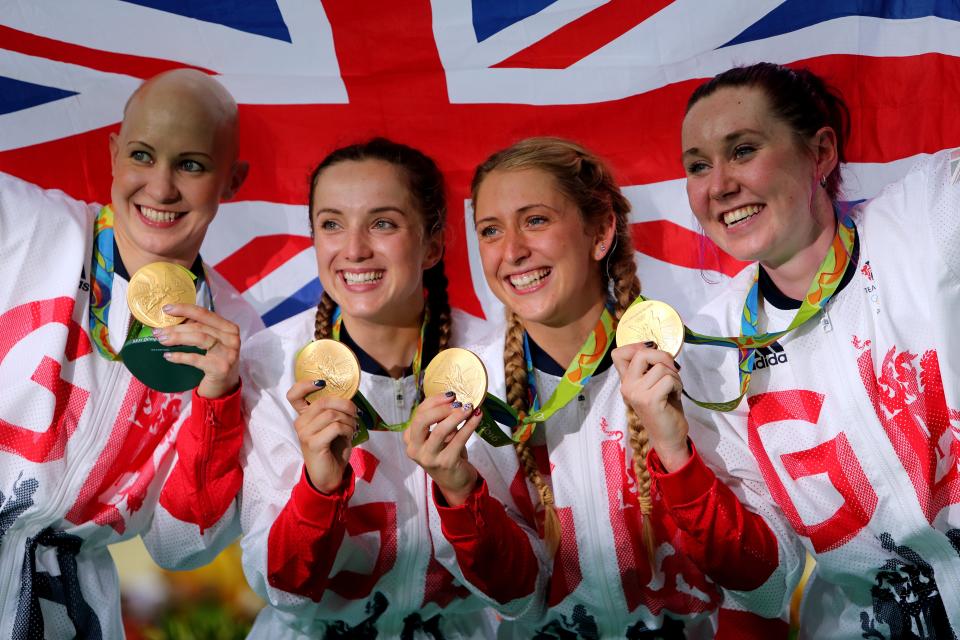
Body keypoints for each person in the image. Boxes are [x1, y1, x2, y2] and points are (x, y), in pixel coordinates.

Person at [617, 61, 960, 637]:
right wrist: (675, 454)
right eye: (698, 166)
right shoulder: (711, 354)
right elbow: (765, 580)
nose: (719, 184)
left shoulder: (929, 217)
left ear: (820, 152)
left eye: (743, 150)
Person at [405, 136, 792, 638]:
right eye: (490, 230)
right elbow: (519, 602)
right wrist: (460, 494)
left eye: (536, 220)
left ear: (601, 231)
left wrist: (676, 456)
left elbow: (767, 586)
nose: (513, 251)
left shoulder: (693, 364)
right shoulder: (472, 393)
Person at [0, 68, 262, 638]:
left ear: (233, 180)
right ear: (115, 153)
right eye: (143, 155)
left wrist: (218, 402)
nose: (162, 187)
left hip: (68, 610)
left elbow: (178, 546)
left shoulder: (239, 334)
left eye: (191, 165)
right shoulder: (22, 225)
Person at [239, 138, 511, 638]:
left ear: (433, 244)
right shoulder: (271, 361)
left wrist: (460, 489)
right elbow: (282, 589)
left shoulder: (494, 359)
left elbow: (518, 587)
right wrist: (319, 489)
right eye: (331, 224)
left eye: (383, 223)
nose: (355, 248)